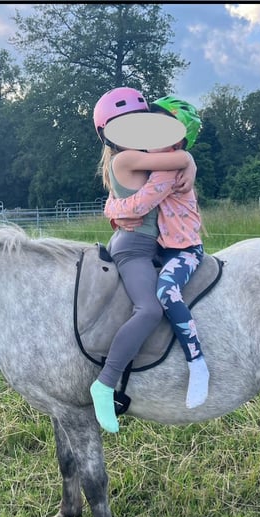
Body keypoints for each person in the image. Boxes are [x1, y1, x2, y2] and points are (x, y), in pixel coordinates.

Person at [88, 87, 205, 434]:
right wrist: (188, 160)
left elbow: (179, 161)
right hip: (134, 247)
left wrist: (189, 162)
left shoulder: (133, 155)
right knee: (150, 309)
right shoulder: (125, 158)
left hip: (151, 243)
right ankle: (105, 383)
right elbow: (177, 162)